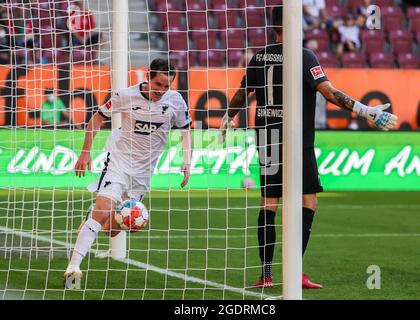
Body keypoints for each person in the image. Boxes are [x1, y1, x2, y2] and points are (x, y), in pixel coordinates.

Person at [220, 6, 398, 290]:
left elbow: (242, 94)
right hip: (296, 140)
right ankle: (295, 271)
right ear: (292, 25)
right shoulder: (304, 56)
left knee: (269, 203)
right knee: (308, 200)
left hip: (267, 138)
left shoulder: (258, 57)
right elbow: (329, 93)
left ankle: (266, 274)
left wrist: (227, 117)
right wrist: (366, 111)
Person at [64, 58, 192, 288]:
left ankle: (92, 220)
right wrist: (85, 152)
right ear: (148, 78)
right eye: (158, 84)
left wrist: (187, 162)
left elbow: (185, 131)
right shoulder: (125, 95)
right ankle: (73, 267)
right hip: (119, 163)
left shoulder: (175, 101)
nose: (162, 91)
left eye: (167, 86)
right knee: (102, 211)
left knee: (114, 228)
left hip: (143, 174)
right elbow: (97, 119)